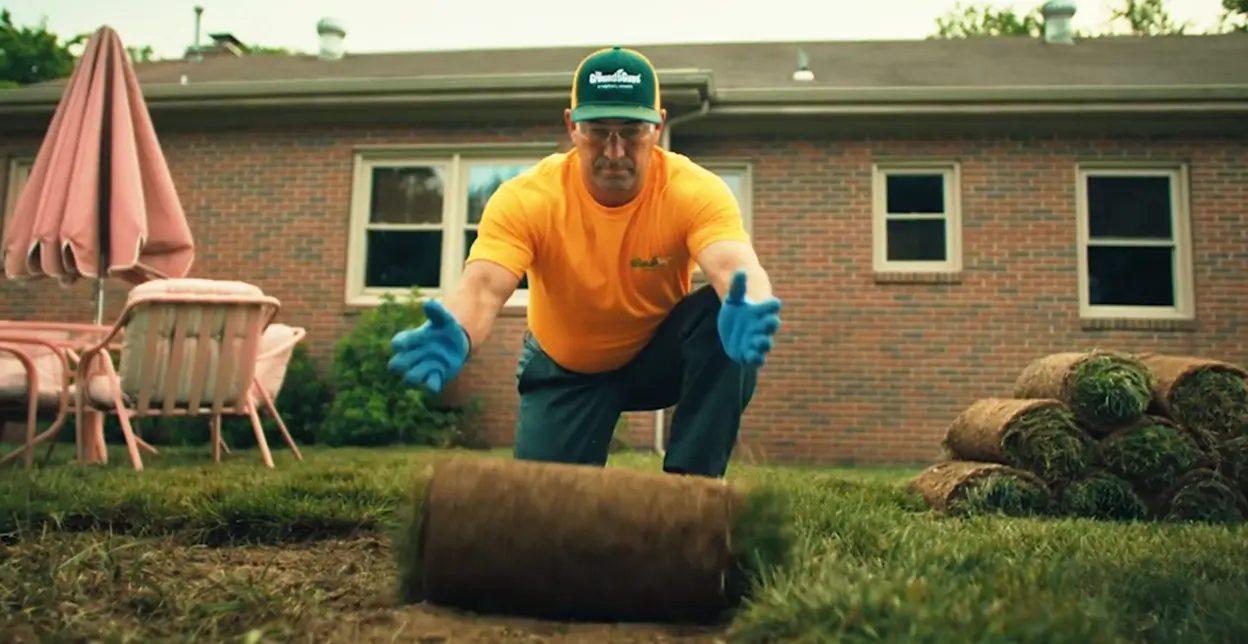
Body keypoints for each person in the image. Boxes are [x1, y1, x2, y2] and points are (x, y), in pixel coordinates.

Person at [387, 46, 782, 478]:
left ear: (658, 127)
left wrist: (751, 303)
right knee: (544, 510)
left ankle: (693, 492)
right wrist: (459, 331)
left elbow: (734, 265)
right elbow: (483, 286)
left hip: (653, 357)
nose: (614, 152)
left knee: (722, 314)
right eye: (597, 131)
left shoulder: (694, 190)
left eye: (631, 131)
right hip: (566, 369)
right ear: (572, 126)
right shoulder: (529, 198)